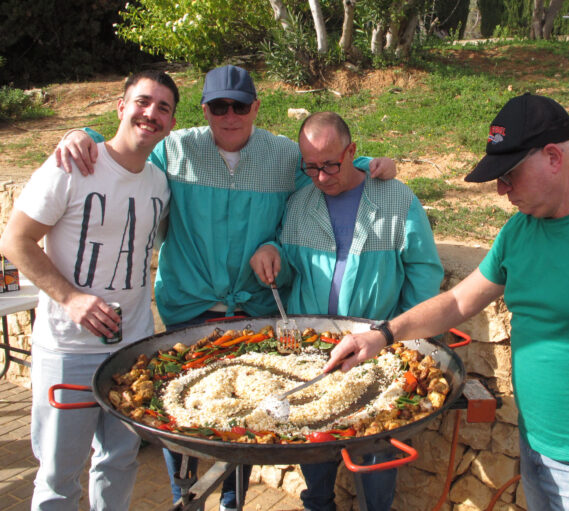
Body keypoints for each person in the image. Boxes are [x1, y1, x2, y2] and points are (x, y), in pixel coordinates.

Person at [325, 93, 569, 511]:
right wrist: (383, 334)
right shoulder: (519, 230)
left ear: (553, 157)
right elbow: (456, 303)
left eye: (509, 174)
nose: (501, 190)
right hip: (537, 451)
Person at [54, 65, 396, 511]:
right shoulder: (174, 149)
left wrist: (370, 165)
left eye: (239, 105)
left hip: (253, 310)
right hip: (187, 309)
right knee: (178, 414)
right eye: (219, 106)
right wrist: (81, 133)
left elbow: (327, 167)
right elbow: (125, 149)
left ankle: (231, 502)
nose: (229, 115)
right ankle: (184, 497)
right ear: (204, 110)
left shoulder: (280, 154)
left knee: (244, 417)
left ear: (256, 107)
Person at [0, 70, 178, 510]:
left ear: (172, 122)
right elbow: (15, 240)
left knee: (119, 462)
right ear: (121, 106)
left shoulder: (159, 183)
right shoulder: (71, 165)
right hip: (68, 350)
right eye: (142, 101)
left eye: (163, 107)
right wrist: (71, 297)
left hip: (132, 349)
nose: (150, 113)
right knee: (59, 475)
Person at [250, 111, 443, 511]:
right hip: (312, 353)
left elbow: (424, 272)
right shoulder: (300, 203)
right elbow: (289, 273)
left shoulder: (396, 198)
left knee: (376, 453)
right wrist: (273, 254)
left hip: (378, 348)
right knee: (312, 445)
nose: (321, 177)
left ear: (353, 152)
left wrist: (405, 336)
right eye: (311, 167)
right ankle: (318, 505)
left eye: (331, 165)